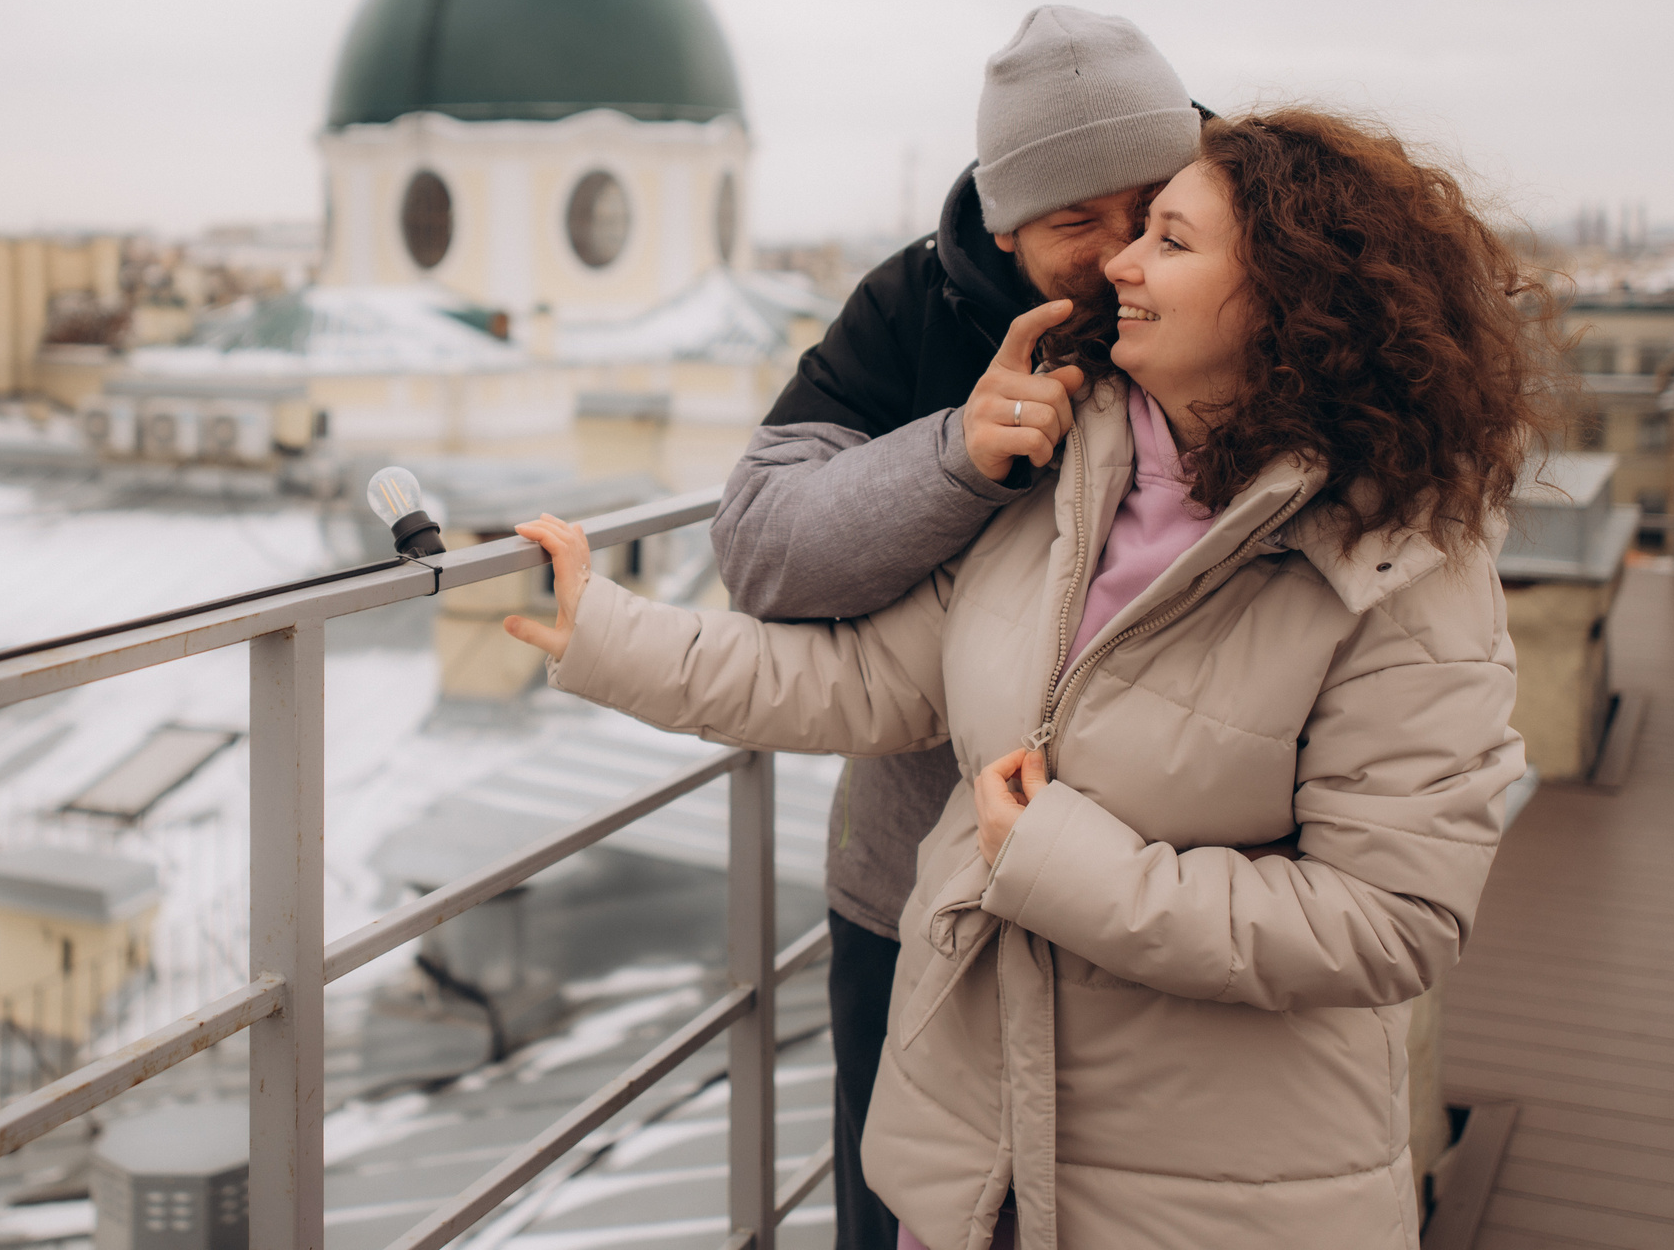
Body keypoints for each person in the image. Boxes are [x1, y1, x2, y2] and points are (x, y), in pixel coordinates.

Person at [505, 109, 1545, 1247]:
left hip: (1203, 1197)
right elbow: (870, 679)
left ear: (1294, 297)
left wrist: (1056, 862)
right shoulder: (1074, 469)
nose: (1122, 265)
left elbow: (1388, 922)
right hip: (976, 1162)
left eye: (1170, 242)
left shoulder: (1404, 562)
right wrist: (605, 632)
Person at [710, 5, 1203, 1249]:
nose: (1116, 256)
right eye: (1073, 223)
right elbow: (760, 546)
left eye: (1150, 209)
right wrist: (955, 456)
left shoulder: (1270, 291)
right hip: (918, 892)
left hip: (1169, 898)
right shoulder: (915, 309)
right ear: (1002, 227)